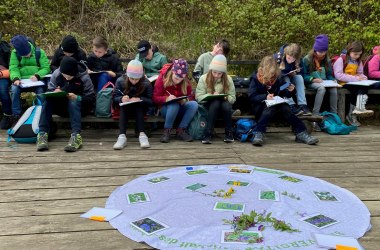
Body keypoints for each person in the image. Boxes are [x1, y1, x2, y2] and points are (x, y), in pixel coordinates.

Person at [248, 56, 319, 146]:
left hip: (276, 104)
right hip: (261, 107)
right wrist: (265, 97)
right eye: (270, 72)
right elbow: (252, 96)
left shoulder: (278, 77)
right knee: (270, 108)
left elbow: (283, 92)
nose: (272, 75)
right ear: (264, 69)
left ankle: (301, 133)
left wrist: (292, 90)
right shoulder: (255, 78)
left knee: (286, 108)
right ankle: (258, 133)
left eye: (274, 72)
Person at [36, 57, 95, 152]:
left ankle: (76, 136)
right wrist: (55, 92)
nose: (67, 78)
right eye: (64, 75)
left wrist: (78, 97)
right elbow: (49, 90)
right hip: (62, 106)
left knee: (73, 102)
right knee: (48, 101)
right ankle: (42, 134)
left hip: (80, 107)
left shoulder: (84, 78)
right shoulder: (57, 74)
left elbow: (91, 99)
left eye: (70, 76)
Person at [152, 59, 198, 143]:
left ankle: (181, 130)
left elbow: (190, 96)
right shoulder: (162, 78)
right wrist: (166, 98)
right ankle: (167, 131)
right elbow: (155, 98)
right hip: (166, 108)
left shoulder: (185, 81)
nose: (178, 81)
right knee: (174, 105)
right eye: (176, 78)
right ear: (172, 72)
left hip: (180, 106)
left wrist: (185, 100)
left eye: (181, 79)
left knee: (194, 104)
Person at [9, 35, 50, 122]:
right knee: (14, 90)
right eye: (24, 56)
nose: (27, 56)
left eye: (28, 54)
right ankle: (16, 115)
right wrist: (16, 78)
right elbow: (13, 68)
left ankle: (41, 114)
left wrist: (38, 75)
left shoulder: (39, 52)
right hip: (21, 81)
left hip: (36, 81)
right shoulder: (15, 53)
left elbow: (46, 67)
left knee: (41, 92)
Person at [113, 60, 153, 150]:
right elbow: (115, 98)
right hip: (125, 109)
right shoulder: (120, 81)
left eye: (137, 79)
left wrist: (140, 99)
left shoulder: (146, 83)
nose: (134, 81)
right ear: (127, 75)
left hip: (141, 109)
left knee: (138, 106)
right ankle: (122, 136)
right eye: (132, 78)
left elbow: (151, 101)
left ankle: (142, 135)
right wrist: (121, 99)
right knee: (124, 106)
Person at [195, 55, 236, 144]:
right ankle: (208, 133)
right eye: (214, 72)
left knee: (225, 104)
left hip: (224, 107)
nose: (216, 75)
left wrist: (225, 97)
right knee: (215, 102)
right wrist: (210, 95)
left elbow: (233, 98)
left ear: (223, 73)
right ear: (211, 70)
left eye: (220, 73)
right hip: (208, 106)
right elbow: (198, 97)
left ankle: (229, 133)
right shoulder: (203, 78)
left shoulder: (228, 79)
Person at [333, 41, 373, 126]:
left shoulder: (358, 61)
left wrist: (363, 77)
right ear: (349, 51)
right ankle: (351, 114)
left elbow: (360, 72)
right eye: (355, 54)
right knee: (355, 90)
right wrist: (355, 78)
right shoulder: (341, 60)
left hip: (354, 81)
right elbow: (338, 75)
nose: (357, 56)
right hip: (343, 82)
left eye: (359, 54)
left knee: (364, 87)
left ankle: (356, 110)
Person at [302, 34, 338, 131]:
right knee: (321, 89)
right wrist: (312, 79)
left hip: (325, 81)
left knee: (334, 89)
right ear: (315, 50)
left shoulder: (327, 60)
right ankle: (315, 116)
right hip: (311, 82)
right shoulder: (307, 59)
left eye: (324, 51)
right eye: (320, 51)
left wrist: (332, 80)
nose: (322, 54)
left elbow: (329, 74)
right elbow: (303, 75)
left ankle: (334, 116)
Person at [275, 43, 311, 116]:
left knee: (299, 78)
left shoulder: (299, 60)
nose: (290, 61)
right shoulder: (278, 58)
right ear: (286, 54)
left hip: (291, 82)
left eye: (293, 59)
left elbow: (301, 72)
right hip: (279, 86)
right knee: (286, 79)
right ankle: (291, 105)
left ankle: (302, 105)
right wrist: (284, 74)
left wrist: (295, 73)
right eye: (289, 58)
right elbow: (273, 75)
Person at [0, 36, 12, 129]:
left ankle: (7, 114)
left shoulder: (5, 49)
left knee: (3, 89)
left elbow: (11, 66)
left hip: (3, 75)